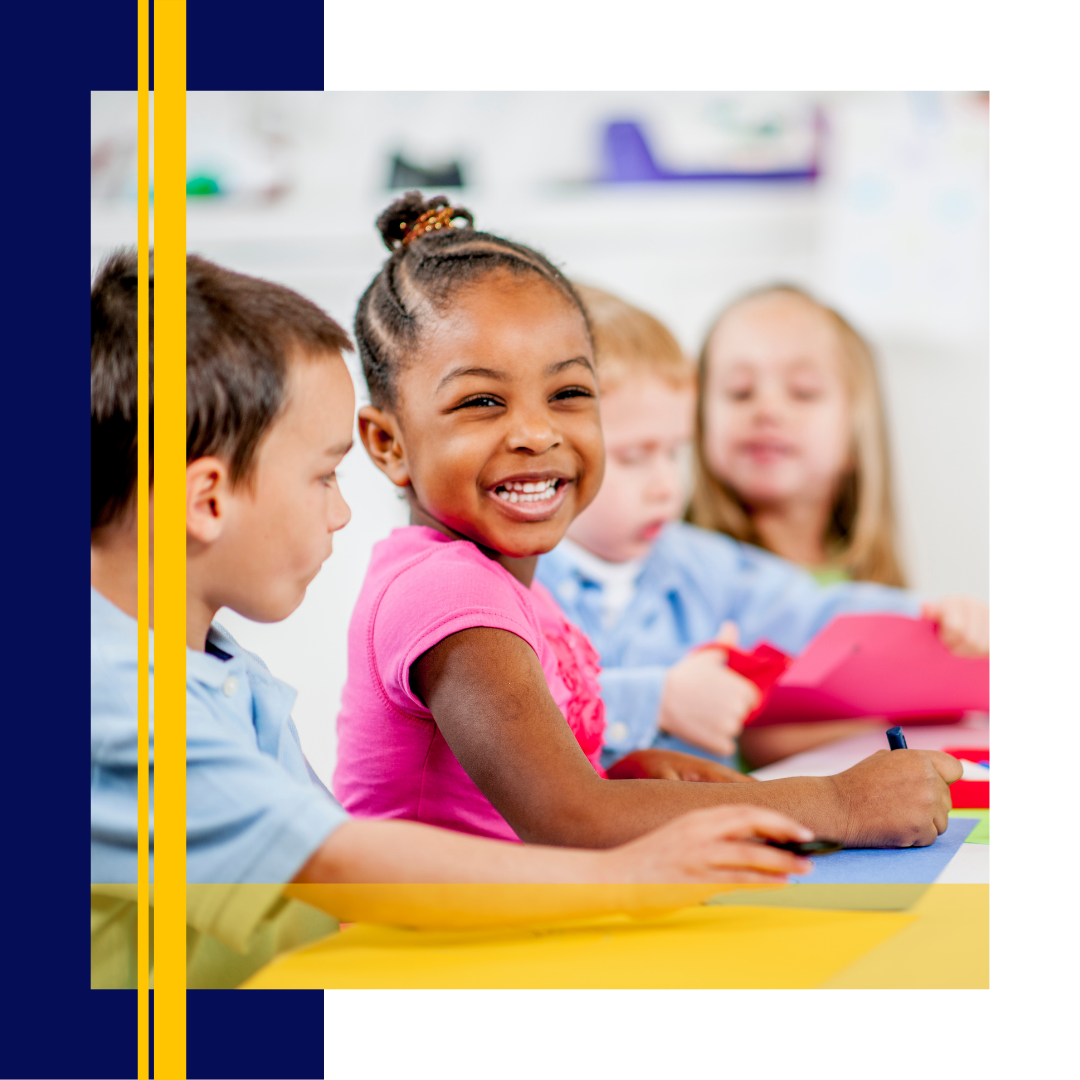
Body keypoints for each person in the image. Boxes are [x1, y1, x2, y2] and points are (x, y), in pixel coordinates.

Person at [89, 250, 819, 989]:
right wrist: (630, 875)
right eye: (322, 477)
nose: (341, 513)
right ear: (207, 500)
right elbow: (341, 864)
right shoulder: (119, 703)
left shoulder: (214, 669)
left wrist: (619, 792)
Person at [336, 193, 961, 852]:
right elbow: (570, 819)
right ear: (388, 444)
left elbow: (533, 800)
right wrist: (838, 801)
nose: (536, 432)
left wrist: (627, 775)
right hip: (424, 948)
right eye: (482, 401)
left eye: (568, 394)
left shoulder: (512, 587)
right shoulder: (449, 595)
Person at [537, 286, 990, 769]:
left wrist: (932, 616)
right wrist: (658, 701)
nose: (667, 485)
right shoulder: (518, 579)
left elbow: (812, 612)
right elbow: (512, 708)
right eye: (634, 456)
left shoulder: (700, 563)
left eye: (674, 453)